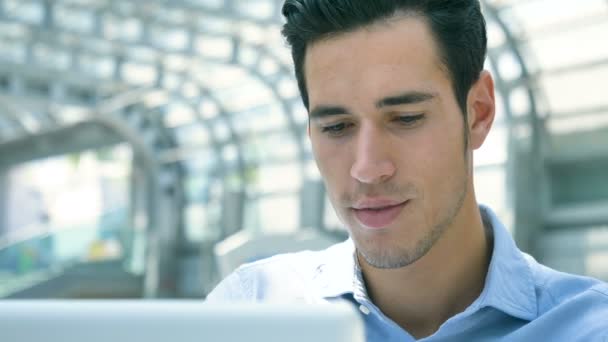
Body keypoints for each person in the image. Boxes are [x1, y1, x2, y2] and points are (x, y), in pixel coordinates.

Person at [206, 1, 608, 340]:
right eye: (336, 127)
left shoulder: (590, 329)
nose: (367, 169)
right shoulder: (250, 313)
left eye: (406, 118)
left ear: (478, 112)